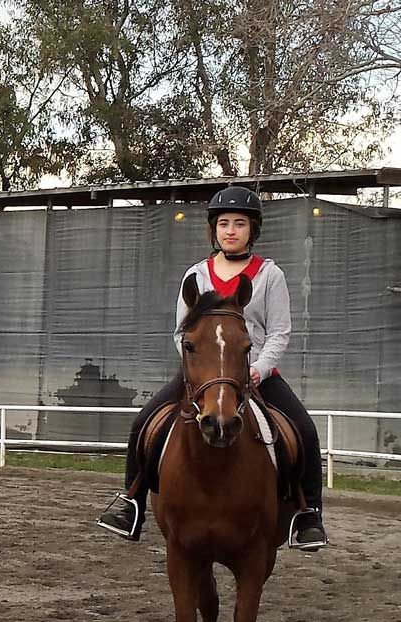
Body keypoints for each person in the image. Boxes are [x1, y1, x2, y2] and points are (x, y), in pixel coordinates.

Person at [95, 185, 327, 550]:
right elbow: (181, 331)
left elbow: (280, 333)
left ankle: (308, 514)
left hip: (253, 373)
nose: (230, 230)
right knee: (144, 423)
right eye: (223, 224)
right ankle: (132, 502)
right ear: (214, 230)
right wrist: (198, 371)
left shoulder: (270, 275)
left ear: (253, 229)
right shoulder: (197, 275)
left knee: (305, 431)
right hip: (202, 376)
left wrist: (259, 369)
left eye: (239, 223)